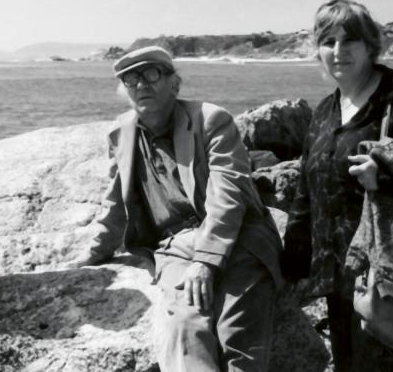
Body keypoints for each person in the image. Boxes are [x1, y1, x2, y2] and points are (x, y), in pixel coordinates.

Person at [72, 46, 282, 372]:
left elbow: (229, 197)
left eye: (151, 74)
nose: (141, 84)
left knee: (237, 340)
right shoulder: (122, 133)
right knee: (185, 329)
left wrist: (206, 261)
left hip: (239, 237)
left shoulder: (211, 120)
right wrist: (93, 253)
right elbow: (115, 201)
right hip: (174, 248)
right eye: (131, 79)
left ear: (174, 83)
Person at [281, 0, 393, 371]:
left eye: (349, 40)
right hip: (338, 276)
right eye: (328, 42)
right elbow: (306, 193)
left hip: (392, 272)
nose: (338, 51)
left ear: (370, 45)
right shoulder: (325, 110)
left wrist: (388, 177)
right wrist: (290, 267)